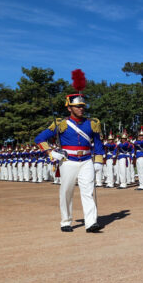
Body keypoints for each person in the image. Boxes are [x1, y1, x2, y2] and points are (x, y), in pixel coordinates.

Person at [34, 83, 105, 233]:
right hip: (68, 161)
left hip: (86, 161)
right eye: (77, 106)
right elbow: (39, 139)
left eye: (82, 106)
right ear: (69, 108)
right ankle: (66, 221)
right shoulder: (61, 124)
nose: (81, 108)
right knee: (66, 192)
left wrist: (98, 161)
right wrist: (51, 152)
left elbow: (98, 144)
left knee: (88, 191)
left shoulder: (92, 124)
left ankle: (91, 222)